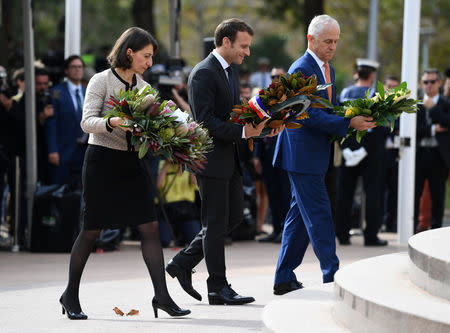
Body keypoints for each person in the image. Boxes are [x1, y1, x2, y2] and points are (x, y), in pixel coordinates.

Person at [59, 27, 190, 320]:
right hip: (102, 162)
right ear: (129, 52)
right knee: (91, 230)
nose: (150, 62)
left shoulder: (144, 86)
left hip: (134, 164)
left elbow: (153, 126)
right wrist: (115, 121)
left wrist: (172, 126)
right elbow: (87, 122)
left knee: (150, 227)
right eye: (146, 56)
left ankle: (162, 297)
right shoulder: (100, 80)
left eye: (151, 57)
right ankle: (70, 295)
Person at [165, 18, 281, 306]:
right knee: (216, 223)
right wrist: (245, 131)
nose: (247, 52)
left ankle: (182, 262)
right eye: (243, 46)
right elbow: (205, 122)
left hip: (230, 159)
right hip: (211, 160)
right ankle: (217, 287)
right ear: (226, 42)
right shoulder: (203, 73)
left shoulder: (230, 71)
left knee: (232, 219)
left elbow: (234, 113)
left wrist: (265, 126)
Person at [272, 15, 376, 295]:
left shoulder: (324, 67)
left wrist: (355, 114)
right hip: (302, 156)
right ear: (311, 39)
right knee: (319, 214)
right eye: (327, 41)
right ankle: (333, 275)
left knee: (298, 217)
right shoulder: (302, 68)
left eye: (335, 42)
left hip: (310, 154)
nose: (332, 47)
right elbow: (307, 116)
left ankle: (283, 277)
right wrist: (348, 123)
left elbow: (325, 110)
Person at [335, 59, 388, 246]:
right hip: (370, 152)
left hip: (348, 149)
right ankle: (371, 235)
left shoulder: (345, 93)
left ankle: (342, 234)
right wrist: (365, 149)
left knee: (344, 193)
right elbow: (381, 128)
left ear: (357, 73)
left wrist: (347, 148)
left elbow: (339, 121)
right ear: (372, 75)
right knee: (373, 193)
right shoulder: (376, 95)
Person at [414, 69, 450, 231]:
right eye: (426, 82)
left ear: (439, 83)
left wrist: (434, 108)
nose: (429, 85)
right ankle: (413, 227)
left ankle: (435, 230)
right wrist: (434, 129)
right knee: (415, 194)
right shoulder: (415, 103)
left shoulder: (445, 103)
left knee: (438, 196)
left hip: (438, 155)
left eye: (432, 81)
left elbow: (447, 123)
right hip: (419, 154)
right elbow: (413, 129)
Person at [46, 55, 87, 186]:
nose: (77, 70)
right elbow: (51, 123)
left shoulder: (88, 92)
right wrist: (52, 150)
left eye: (80, 67)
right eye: (73, 67)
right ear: (66, 70)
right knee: (59, 191)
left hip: (84, 152)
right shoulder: (56, 92)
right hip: (63, 151)